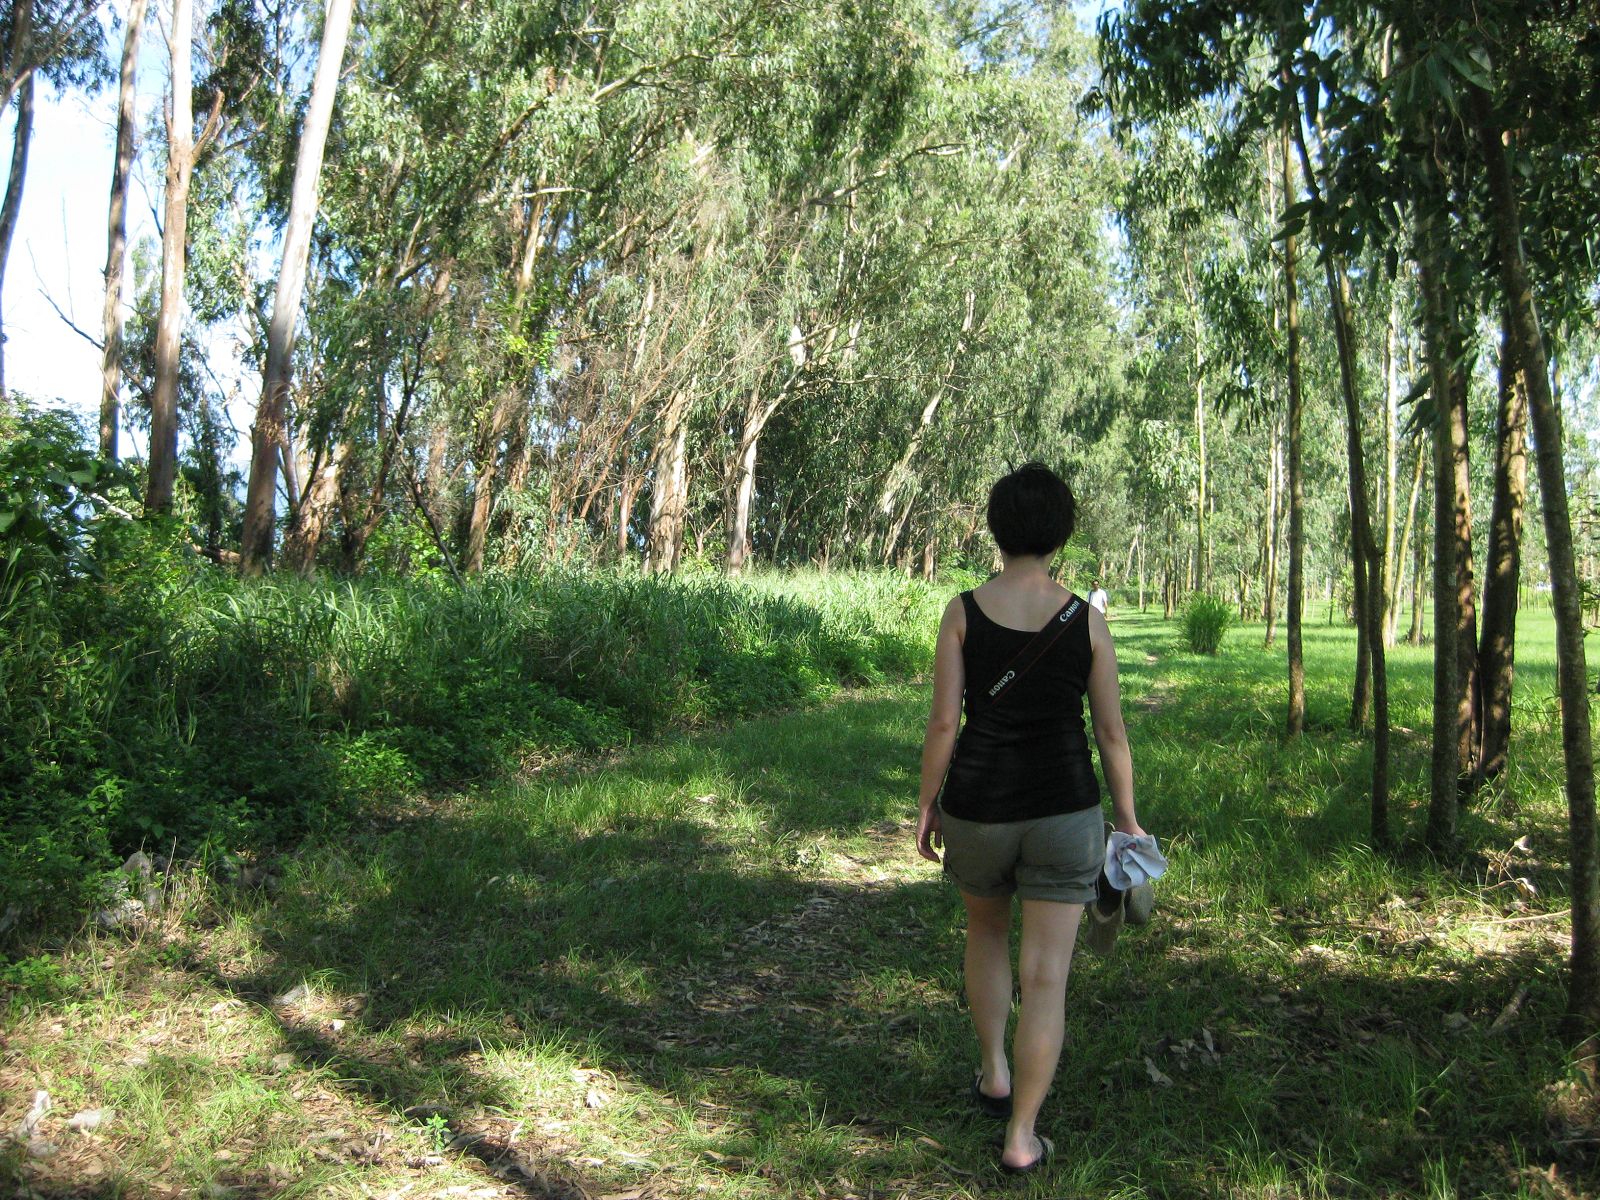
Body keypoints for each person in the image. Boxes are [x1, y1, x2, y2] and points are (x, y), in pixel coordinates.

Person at [915, 463, 1146, 1175]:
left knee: (985, 931)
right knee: (1047, 977)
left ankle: (994, 1072)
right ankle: (1021, 1137)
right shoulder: (1087, 620)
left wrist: (928, 802)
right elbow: (1111, 734)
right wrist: (1128, 821)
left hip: (978, 808)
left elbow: (944, 724)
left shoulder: (961, 612)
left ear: (997, 527)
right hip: (1065, 814)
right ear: (1060, 532)